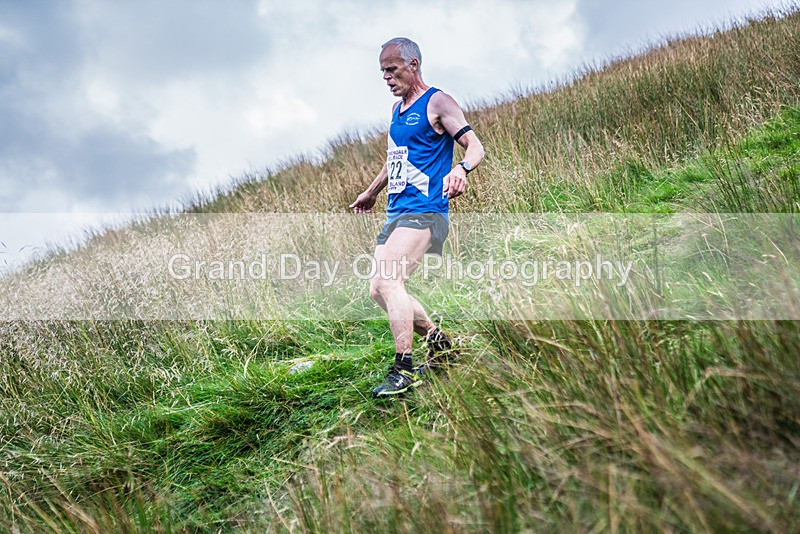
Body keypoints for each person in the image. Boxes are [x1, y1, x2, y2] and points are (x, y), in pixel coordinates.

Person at [350, 37, 484, 398]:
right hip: (397, 211)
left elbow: (475, 145)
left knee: (391, 281)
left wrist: (462, 170)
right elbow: (395, 160)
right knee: (378, 289)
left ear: (413, 65)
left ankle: (403, 369)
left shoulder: (438, 101)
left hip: (426, 210)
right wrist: (372, 192)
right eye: (382, 72)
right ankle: (442, 344)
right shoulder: (397, 112)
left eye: (391, 70)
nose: (386, 78)